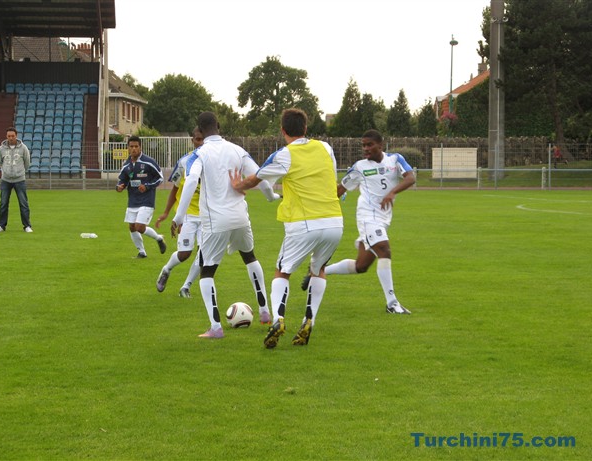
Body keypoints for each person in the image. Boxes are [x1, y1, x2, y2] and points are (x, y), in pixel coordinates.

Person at [230, 108, 343, 349]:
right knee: (319, 269)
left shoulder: (284, 154)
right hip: (334, 221)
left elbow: (257, 178)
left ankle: (278, 319)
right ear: (305, 128)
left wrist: (237, 186)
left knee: (282, 271)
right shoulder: (326, 148)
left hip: (304, 223)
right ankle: (308, 320)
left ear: (282, 131)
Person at [172, 111, 280, 339]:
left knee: (207, 271)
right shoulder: (237, 150)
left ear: (199, 131)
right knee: (249, 256)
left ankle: (216, 327)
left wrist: (179, 217)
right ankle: (264, 311)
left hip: (215, 220)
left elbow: (191, 180)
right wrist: (271, 197)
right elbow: (260, 174)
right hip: (240, 216)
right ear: (219, 126)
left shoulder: (199, 154)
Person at [317, 129, 416, 314]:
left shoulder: (395, 159)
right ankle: (392, 303)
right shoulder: (360, 167)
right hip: (367, 216)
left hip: (383, 218)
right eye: (363, 145)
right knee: (384, 250)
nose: (366, 148)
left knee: (361, 266)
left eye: (369, 145)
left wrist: (393, 192)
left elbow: (411, 177)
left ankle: (320, 270)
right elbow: (339, 191)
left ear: (381, 145)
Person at [155, 128, 205, 297]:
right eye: (198, 139)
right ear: (192, 140)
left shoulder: (214, 161)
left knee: (204, 254)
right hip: (188, 214)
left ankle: (186, 287)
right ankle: (166, 270)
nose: (201, 142)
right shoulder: (184, 162)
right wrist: (167, 213)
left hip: (208, 216)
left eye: (204, 139)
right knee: (185, 253)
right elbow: (175, 189)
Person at [116, 135, 167, 258]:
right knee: (132, 227)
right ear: (128, 148)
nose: (134, 149)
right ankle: (142, 252)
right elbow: (121, 180)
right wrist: (119, 187)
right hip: (133, 200)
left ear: (140, 147)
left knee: (139, 227)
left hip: (147, 200)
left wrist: (147, 186)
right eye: (131, 146)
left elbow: (160, 178)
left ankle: (158, 238)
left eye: (136, 146)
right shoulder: (126, 164)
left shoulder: (148, 161)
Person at [0, 127, 32, 232]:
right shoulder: (1, 148)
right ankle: (1, 226)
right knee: (3, 203)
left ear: (16, 136)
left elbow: (27, 162)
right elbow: (0, 162)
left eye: (13, 136)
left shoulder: (23, 148)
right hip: (6, 180)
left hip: (20, 180)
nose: (11, 138)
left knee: (23, 203)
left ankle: (27, 226)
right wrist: (6, 171)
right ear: (6, 136)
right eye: (9, 136)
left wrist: (19, 172)